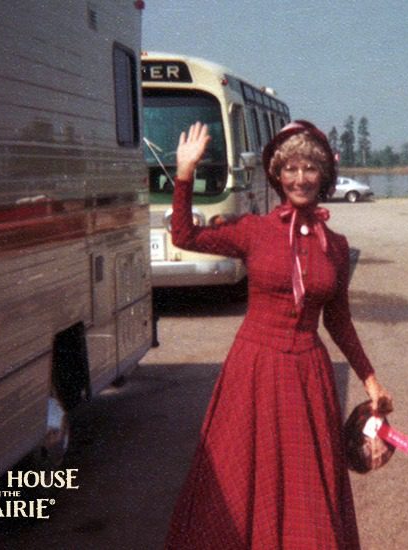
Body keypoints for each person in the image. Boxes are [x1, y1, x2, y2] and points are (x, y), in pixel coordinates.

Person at [164, 120, 392, 549]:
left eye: (309, 168)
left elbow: (338, 318)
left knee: (307, 485)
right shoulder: (255, 230)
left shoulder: (336, 246)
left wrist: (369, 376)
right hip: (252, 372)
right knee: (241, 480)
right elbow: (184, 234)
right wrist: (185, 173)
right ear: (277, 174)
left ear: (324, 175)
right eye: (290, 169)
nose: (300, 178)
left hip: (308, 375)